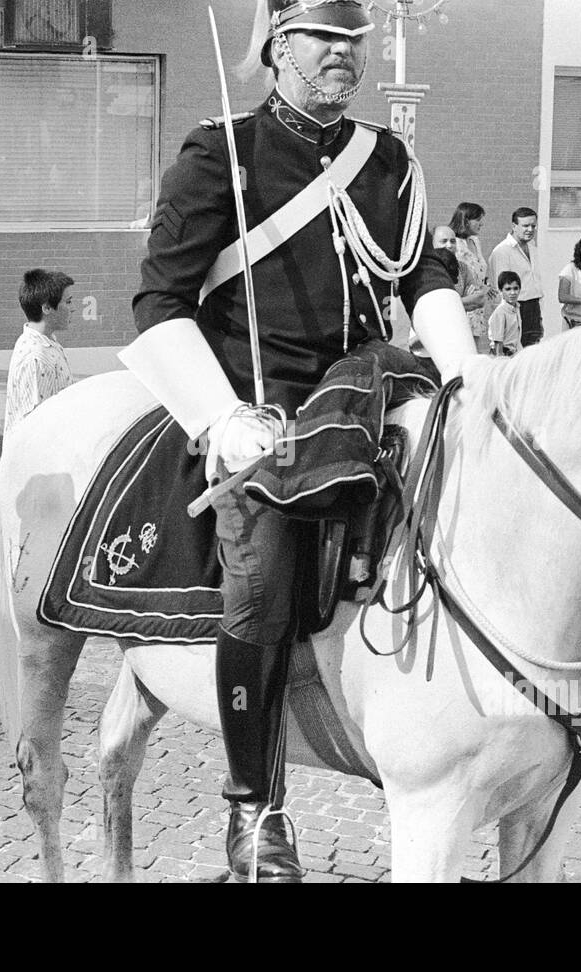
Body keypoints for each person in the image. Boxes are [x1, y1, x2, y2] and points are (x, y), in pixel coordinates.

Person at [120, 0, 473, 882]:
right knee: (262, 578)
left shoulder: (386, 159)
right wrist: (220, 416)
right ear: (280, 46)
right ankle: (254, 805)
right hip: (262, 414)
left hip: (370, 395)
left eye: (353, 42)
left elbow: (421, 276)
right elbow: (159, 301)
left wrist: (471, 375)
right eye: (325, 39)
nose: (344, 56)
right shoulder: (222, 153)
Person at [5, 269, 75, 434]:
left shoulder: (47, 342)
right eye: (69, 302)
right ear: (47, 308)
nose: (73, 308)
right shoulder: (36, 357)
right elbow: (37, 424)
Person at [488, 207, 543, 346]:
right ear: (514, 226)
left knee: (533, 350)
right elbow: (500, 288)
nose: (530, 229)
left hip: (533, 307)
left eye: (533, 226)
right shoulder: (502, 251)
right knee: (512, 353)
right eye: (525, 226)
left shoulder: (532, 247)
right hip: (515, 308)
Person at [448, 202, 496, 353]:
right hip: (463, 303)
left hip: (477, 306)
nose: (481, 224)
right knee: (462, 349)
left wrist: (485, 284)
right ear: (465, 220)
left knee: (474, 350)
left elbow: (479, 269)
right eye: (477, 219)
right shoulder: (454, 243)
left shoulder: (475, 241)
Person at [487, 270, 523, 356]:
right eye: (508, 289)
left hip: (513, 354)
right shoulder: (500, 312)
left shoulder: (516, 308)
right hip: (502, 355)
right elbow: (498, 344)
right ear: (500, 291)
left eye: (515, 288)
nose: (512, 293)